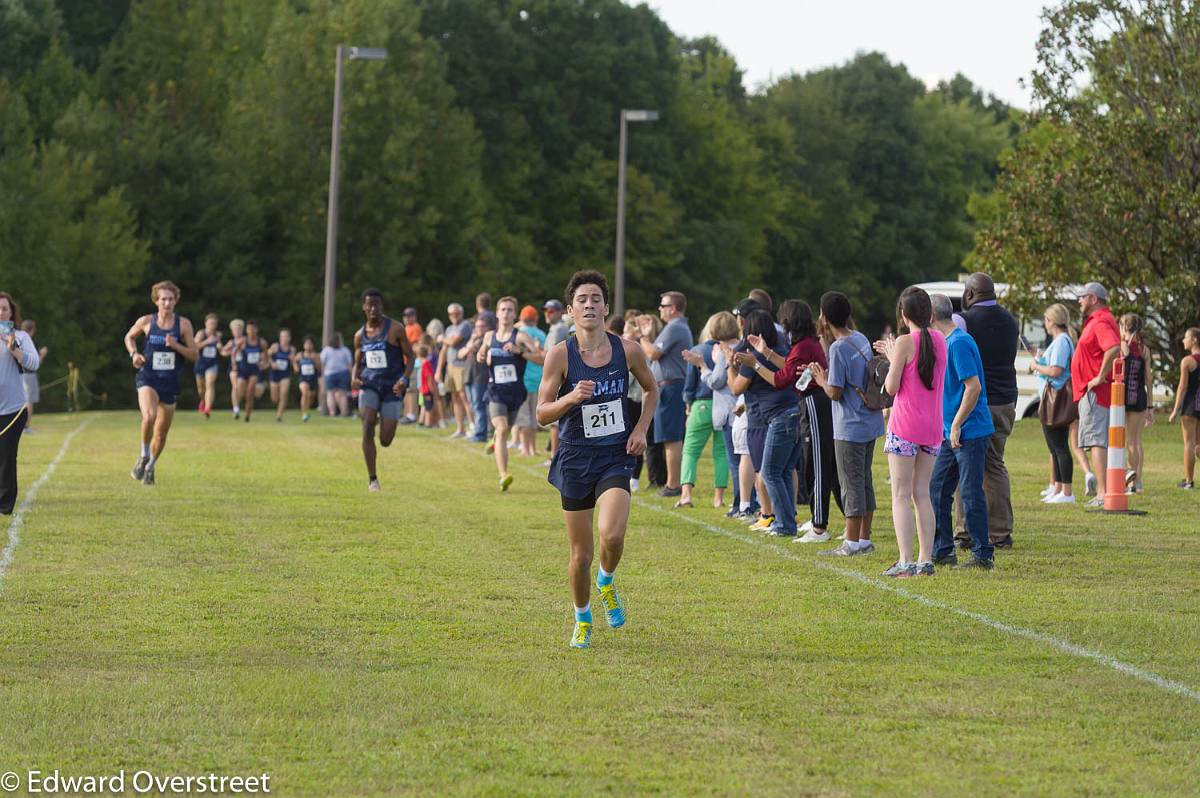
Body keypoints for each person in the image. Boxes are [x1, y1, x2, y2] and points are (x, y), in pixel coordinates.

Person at [537, 270, 656, 650]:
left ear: (606, 307)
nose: (589, 305)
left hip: (615, 456)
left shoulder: (628, 350)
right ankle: (583, 616)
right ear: (570, 311)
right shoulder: (560, 355)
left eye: (595, 299)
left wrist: (640, 430)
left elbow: (652, 390)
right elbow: (541, 412)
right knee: (580, 554)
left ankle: (607, 580)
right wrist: (570, 399)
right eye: (582, 300)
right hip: (574, 458)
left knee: (613, 535)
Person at [751, 300, 842, 542]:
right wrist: (766, 352)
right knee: (816, 466)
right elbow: (791, 368)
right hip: (810, 402)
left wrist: (755, 364)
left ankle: (819, 526)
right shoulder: (804, 344)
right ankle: (817, 519)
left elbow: (781, 380)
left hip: (814, 402)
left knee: (817, 466)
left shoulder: (804, 346)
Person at [876, 286, 945, 578]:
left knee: (901, 495)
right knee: (922, 494)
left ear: (904, 316)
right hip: (932, 427)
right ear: (930, 313)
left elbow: (891, 388)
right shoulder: (941, 339)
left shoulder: (904, 341)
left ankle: (905, 561)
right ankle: (925, 559)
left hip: (904, 426)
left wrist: (893, 357)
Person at [809, 291, 883, 556]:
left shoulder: (839, 348)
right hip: (869, 421)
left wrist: (820, 380)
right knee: (864, 481)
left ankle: (850, 543)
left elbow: (836, 393)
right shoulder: (860, 337)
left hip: (849, 426)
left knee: (850, 484)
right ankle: (864, 539)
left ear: (825, 318)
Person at [928, 293, 995, 570]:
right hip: (950, 432)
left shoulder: (958, 343)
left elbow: (973, 386)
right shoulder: (945, 343)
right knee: (937, 489)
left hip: (969, 430)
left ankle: (982, 553)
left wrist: (956, 424)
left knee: (969, 492)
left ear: (931, 317)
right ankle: (943, 549)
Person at [961, 272, 1018, 549]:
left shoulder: (966, 321)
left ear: (970, 294)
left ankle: (964, 530)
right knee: (995, 465)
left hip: (978, 400)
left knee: (967, 465)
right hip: (1006, 400)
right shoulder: (1010, 319)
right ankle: (1001, 531)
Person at [123, 281, 198, 485]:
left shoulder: (183, 325)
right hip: (148, 376)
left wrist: (176, 346)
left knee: (161, 433)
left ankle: (151, 466)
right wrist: (134, 354)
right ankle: (143, 455)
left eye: (171, 299)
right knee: (149, 415)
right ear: (156, 300)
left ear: (176, 301)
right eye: (163, 299)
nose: (167, 303)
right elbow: (129, 337)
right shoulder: (147, 321)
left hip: (170, 381)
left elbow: (194, 355)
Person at [730, 309, 798, 535]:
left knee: (769, 472)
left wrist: (729, 366)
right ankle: (787, 520)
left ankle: (781, 523)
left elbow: (736, 388)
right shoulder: (780, 349)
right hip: (793, 411)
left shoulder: (752, 356)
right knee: (785, 471)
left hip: (776, 417)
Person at [352, 288, 415, 492]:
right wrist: (354, 377)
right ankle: (372, 479)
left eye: (376, 304)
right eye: (369, 304)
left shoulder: (395, 329)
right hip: (369, 385)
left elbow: (411, 357)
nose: (373, 308)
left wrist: (405, 378)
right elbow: (357, 361)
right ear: (363, 307)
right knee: (367, 423)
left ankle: (382, 417)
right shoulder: (360, 335)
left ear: (382, 306)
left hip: (392, 388)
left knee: (386, 440)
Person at [478, 297, 544, 490]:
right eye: (503, 310)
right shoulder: (489, 336)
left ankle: (495, 442)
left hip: (516, 393)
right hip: (495, 391)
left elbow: (542, 358)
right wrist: (482, 354)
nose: (506, 313)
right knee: (502, 428)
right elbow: (480, 354)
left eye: (509, 310)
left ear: (515, 314)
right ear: (497, 313)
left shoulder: (520, 336)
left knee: (504, 432)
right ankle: (503, 475)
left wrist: (520, 352)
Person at [1070, 282, 1121, 507]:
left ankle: (1102, 493)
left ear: (1093, 299)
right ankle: (1106, 489)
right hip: (1095, 391)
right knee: (1099, 440)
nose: (1079, 301)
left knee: (1095, 441)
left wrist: (1099, 376)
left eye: (1082, 297)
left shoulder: (1100, 321)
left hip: (1095, 392)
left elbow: (1113, 347)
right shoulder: (1100, 320)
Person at [638, 291, 693, 497]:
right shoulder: (674, 328)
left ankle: (673, 484)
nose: (659, 308)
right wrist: (649, 336)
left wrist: (641, 337)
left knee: (671, 438)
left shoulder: (675, 327)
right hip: (668, 386)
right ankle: (672, 482)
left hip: (671, 387)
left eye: (663, 305)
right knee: (668, 437)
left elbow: (653, 353)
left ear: (673, 308)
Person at [678, 313, 730, 509]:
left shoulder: (698, 349)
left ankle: (686, 495)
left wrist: (687, 404)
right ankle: (718, 498)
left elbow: (690, 383)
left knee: (690, 451)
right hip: (724, 404)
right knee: (721, 453)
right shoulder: (730, 350)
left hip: (701, 404)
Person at [690, 311, 739, 511]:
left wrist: (702, 367)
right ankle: (733, 499)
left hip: (727, 411)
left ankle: (740, 503)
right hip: (742, 409)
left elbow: (716, 381)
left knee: (733, 460)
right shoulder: (743, 346)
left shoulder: (722, 350)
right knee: (730, 457)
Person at [1030, 303, 1076, 504]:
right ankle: (1058, 487)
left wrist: (1036, 366)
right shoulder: (1061, 341)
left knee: (1059, 446)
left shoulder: (1061, 342)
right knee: (1055, 446)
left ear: (1052, 321)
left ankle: (1067, 492)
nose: (1045, 324)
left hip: (1056, 398)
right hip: (1052, 397)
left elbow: (1056, 370)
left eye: (1046, 320)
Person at [1, 293, 40, 512]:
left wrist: (14, 350)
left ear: (11, 312)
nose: (1, 312)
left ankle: (4, 505)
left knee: (6, 457)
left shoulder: (21, 337)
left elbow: (34, 363)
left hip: (12, 410)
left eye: (5, 309)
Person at [1120, 313, 1153, 493]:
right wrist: (1151, 406)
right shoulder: (1144, 349)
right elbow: (1148, 379)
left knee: (1127, 441)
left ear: (1125, 327)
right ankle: (1137, 481)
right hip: (1139, 396)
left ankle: (1130, 480)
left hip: (1123, 397)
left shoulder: (1123, 346)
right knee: (1136, 441)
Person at [1167, 327, 1200, 489]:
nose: (1183, 340)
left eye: (1186, 338)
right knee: (1198, 446)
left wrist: (1174, 410)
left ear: (1194, 340)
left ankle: (1188, 481)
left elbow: (1182, 388)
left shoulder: (1187, 361)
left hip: (1190, 407)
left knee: (1189, 444)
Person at [543, 299, 573, 463]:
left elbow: (550, 357)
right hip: (555, 377)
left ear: (559, 312)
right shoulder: (554, 328)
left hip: (558, 379)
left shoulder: (559, 329)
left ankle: (554, 456)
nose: (547, 314)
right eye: (546, 311)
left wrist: (527, 352)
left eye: (550, 311)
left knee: (554, 420)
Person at [515, 305, 547, 457]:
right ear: (536, 319)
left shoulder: (521, 333)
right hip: (539, 379)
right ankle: (533, 449)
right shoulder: (541, 333)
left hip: (523, 379)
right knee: (534, 417)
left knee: (523, 417)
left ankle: (525, 449)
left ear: (521, 318)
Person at [438, 303, 473, 437]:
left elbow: (453, 342)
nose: (454, 316)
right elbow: (444, 349)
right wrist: (438, 370)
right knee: (454, 397)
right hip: (451, 366)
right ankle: (460, 429)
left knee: (464, 396)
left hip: (462, 365)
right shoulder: (449, 329)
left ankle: (472, 425)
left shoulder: (465, 326)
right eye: (451, 314)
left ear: (461, 313)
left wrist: (442, 339)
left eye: (456, 313)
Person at [18, 320, 47, 433]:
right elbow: (35, 363)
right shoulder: (30, 342)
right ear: (32, 330)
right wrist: (42, 355)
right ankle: (26, 427)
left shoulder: (19, 340)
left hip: (20, 375)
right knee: (29, 401)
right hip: (29, 375)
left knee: (22, 401)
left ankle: (21, 426)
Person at [234, 320, 265, 422]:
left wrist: (263, 363)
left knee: (250, 392)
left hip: (254, 370)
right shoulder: (242, 341)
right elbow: (233, 353)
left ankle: (247, 415)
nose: (251, 331)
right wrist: (234, 364)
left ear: (256, 330)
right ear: (246, 330)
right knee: (240, 392)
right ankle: (237, 408)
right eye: (249, 329)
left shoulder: (261, 342)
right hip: (243, 370)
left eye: (253, 328)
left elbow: (266, 356)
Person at [192, 313, 221, 419]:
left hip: (212, 364)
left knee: (210, 384)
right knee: (201, 389)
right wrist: (207, 342)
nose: (212, 325)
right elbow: (194, 346)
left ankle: (208, 408)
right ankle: (203, 400)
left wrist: (220, 346)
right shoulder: (201, 333)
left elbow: (220, 348)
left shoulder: (218, 335)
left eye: (214, 323)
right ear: (206, 323)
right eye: (210, 323)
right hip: (200, 363)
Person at [320, 332, 353, 418]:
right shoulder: (345, 350)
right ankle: (343, 412)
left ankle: (332, 412)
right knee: (343, 394)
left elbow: (323, 363)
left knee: (330, 394)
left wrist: (323, 376)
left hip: (329, 373)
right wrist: (352, 376)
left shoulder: (326, 350)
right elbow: (349, 365)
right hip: (343, 373)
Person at [267, 328, 294, 422]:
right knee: (274, 398)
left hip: (285, 374)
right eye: (283, 336)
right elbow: (267, 355)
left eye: (286, 336)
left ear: (289, 338)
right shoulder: (275, 347)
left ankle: (279, 415)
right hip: (274, 374)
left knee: (284, 393)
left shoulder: (292, 349)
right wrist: (272, 363)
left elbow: (293, 362)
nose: (284, 338)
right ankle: (278, 407)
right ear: (280, 338)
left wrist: (292, 360)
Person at [221, 318, 245, 419]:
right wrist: (230, 352)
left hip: (244, 366)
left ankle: (237, 405)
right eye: (234, 330)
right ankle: (236, 409)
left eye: (238, 329)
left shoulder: (245, 340)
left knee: (241, 389)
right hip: (234, 366)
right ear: (232, 331)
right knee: (235, 387)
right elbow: (222, 352)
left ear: (242, 330)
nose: (237, 332)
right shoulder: (231, 342)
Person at [296, 336, 321, 422]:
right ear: (303, 345)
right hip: (303, 378)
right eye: (306, 344)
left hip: (313, 379)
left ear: (313, 346)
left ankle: (307, 409)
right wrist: (296, 368)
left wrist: (315, 362)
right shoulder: (300, 355)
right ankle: (304, 414)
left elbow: (320, 369)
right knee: (305, 392)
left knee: (311, 397)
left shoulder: (316, 356)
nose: (308, 346)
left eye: (310, 344)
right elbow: (294, 362)